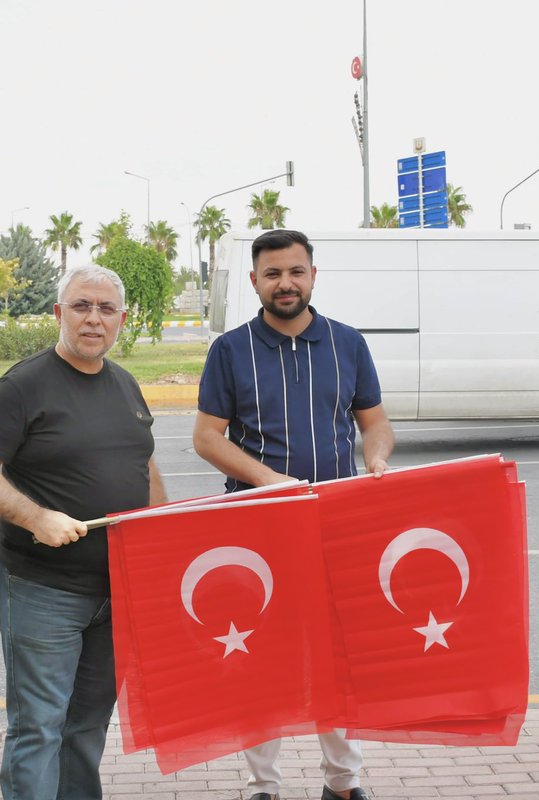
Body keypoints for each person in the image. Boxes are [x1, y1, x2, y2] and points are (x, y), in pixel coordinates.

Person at [192, 229, 394, 800]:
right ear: (255, 281)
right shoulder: (229, 351)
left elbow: (374, 424)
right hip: (255, 526)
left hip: (336, 523)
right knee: (261, 656)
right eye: (273, 273)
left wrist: (375, 457)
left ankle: (344, 783)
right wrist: (269, 482)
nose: (286, 283)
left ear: (313, 275)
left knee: (338, 655)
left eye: (296, 271)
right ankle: (263, 787)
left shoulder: (348, 344)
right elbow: (207, 438)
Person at [0, 264, 166, 800]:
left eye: (106, 309)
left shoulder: (124, 384)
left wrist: (161, 541)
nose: (93, 319)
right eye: (81, 306)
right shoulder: (25, 384)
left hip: (115, 593)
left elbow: (144, 464)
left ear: (122, 319)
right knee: (38, 728)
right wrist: (35, 517)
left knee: (86, 728)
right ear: (59, 313)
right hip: (41, 591)